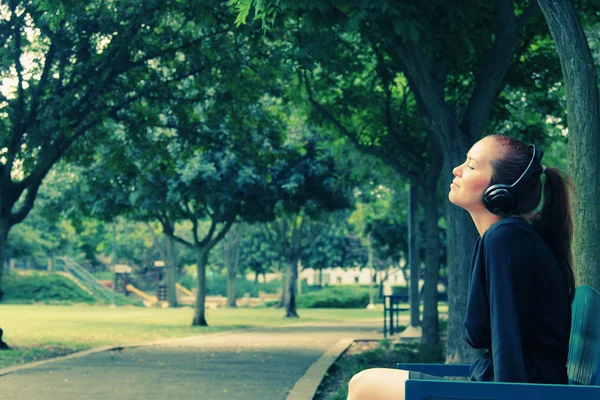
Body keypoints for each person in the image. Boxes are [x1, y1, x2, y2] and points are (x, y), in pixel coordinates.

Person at [346, 135, 574, 400]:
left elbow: (507, 340)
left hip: (518, 391)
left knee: (365, 385)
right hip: (503, 384)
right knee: (363, 383)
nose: (457, 169)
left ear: (500, 190)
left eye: (472, 165)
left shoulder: (507, 238)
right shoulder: (501, 237)